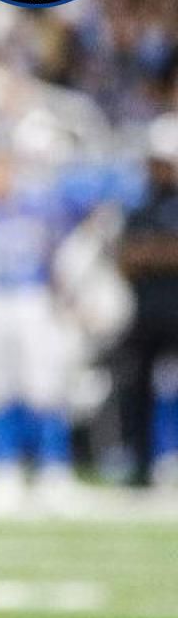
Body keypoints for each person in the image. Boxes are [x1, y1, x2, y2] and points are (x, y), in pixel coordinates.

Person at [0, 149, 77, 498]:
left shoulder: (39, 208)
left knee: (43, 384)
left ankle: (54, 466)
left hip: (30, 298)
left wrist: (62, 301)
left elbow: (58, 253)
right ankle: (4, 466)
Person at [119, 122, 178, 488]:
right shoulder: (140, 205)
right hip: (148, 313)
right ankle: (140, 465)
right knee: (135, 388)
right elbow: (125, 257)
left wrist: (151, 253)